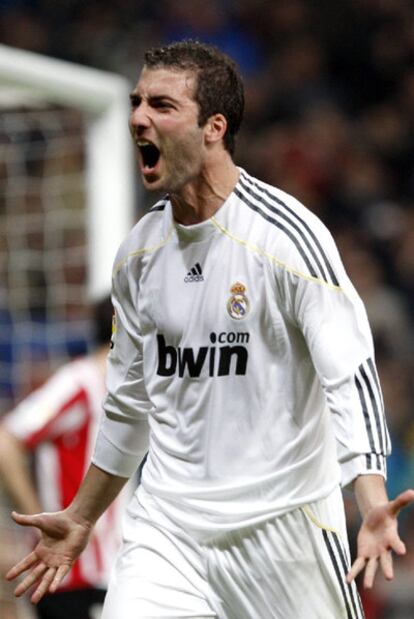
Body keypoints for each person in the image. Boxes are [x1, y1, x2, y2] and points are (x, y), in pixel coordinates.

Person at [5, 40, 414, 619]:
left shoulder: (287, 237)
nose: (138, 117)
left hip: (284, 529)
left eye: (162, 105)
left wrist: (370, 498)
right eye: (136, 101)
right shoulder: (137, 256)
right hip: (169, 531)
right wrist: (81, 517)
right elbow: (128, 406)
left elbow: (348, 374)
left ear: (213, 127)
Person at [0, 297, 133, 619]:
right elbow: (7, 441)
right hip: (74, 576)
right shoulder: (80, 381)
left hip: (119, 570)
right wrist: (39, 520)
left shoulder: (137, 389)